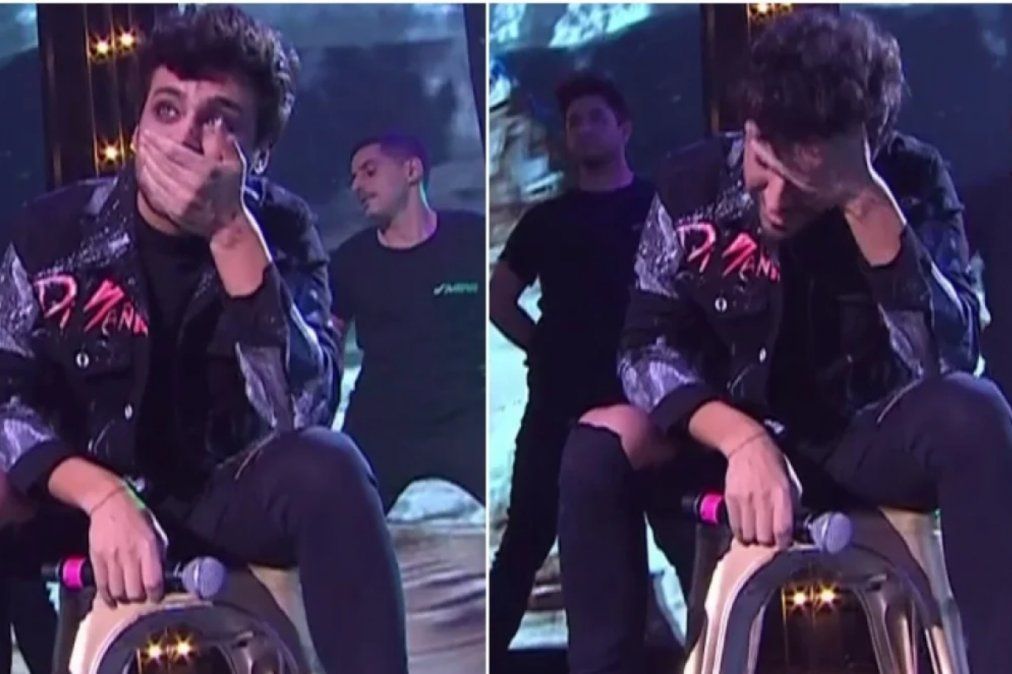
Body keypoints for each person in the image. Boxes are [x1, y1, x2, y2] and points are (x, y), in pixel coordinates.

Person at [557, 10, 1010, 674]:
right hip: (721, 438)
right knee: (599, 444)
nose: (773, 202)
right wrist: (741, 439)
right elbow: (643, 346)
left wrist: (864, 200)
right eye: (764, 167)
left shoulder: (912, 179)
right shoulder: (691, 184)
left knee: (977, 415)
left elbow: (947, 358)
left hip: (862, 437)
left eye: (804, 187)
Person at [0, 7, 406, 673]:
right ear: (138, 127)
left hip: (219, 496)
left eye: (220, 120)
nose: (186, 135)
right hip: (77, 497)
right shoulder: (52, 233)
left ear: (259, 154)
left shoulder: (283, 228)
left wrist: (229, 231)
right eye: (167, 109)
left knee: (330, 466)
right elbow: (6, 397)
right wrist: (101, 494)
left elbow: (302, 413)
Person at [488, 73, 655, 666]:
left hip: (647, 409)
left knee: (673, 537)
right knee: (525, 543)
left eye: (596, 117)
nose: (583, 129)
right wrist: (543, 348)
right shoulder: (546, 221)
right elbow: (499, 299)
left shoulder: (656, 207)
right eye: (574, 121)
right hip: (558, 410)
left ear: (624, 128)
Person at [330, 133, 485, 511]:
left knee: (515, 504)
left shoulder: (470, 238)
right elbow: (328, 346)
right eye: (353, 178)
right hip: (382, 423)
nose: (357, 186)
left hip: (462, 416)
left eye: (369, 171)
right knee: (340, 515)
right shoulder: (351, 261)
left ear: (412, 170)